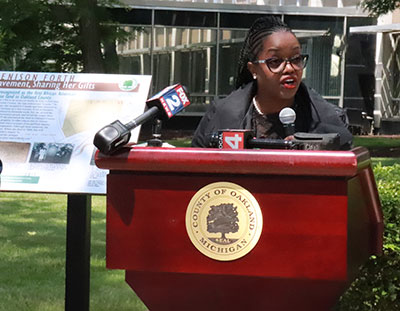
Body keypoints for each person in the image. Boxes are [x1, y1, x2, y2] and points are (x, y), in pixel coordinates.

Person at [191, 15, 352, 150]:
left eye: (296, 59)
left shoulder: (329, 121)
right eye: (275, 61)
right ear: (253, 69)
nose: (289, 68)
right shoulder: (220, 117)